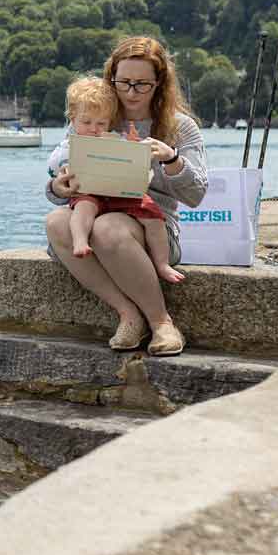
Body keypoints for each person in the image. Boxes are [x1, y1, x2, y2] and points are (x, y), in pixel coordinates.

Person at [45, 36, 208, 357]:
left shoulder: (180, 127)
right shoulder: (94, 117)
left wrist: (172, 158)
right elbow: (58, 174)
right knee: (55, 223)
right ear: (112, 79)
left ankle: (161, 322)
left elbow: (197, 194)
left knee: (108, 228)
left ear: (159, 84)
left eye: (142, 84)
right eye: (123, 83)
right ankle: (127, 314)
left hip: (153, 227)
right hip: (93, 210)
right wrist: (58, 187)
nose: (131, 92)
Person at [47, 76, 182, 284]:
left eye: (101, 123)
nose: (94, 128)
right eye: (86, 122)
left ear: (109, 122)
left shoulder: (112, 138)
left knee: (154, 216)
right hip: (90, 193)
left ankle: (162, 263)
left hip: (121, 193)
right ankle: (80, 241)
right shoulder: (68, 145)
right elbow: (53, 166)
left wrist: (134, 146)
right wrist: (61, 175)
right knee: (84, 207)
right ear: (72, 120)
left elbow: (132, 158)